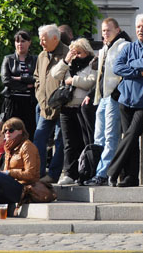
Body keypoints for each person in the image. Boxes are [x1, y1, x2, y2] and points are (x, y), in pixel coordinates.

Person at [108, 14, 143, 187]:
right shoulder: (129, 47)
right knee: (130, 139)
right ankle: (130, 177)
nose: (140, 30)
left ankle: (112, 171)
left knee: (131, 135)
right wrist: (138, 72)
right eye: (138, 27)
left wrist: (130, 64)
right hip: (125, 99)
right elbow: (117, 67)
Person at [83, 17, 129, 187]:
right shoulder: (104, 48)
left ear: (118, 30)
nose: (105, 33)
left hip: (113, 96)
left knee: (111, 136)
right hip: (102, 97)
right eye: (103, 30)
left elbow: (125, 71)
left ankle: (104, 173)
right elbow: (100, 75)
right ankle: (96, 171)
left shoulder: (123, 46)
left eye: (108, 30)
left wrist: (118, 92)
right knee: (98, 137)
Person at [51, 38, 97, 186]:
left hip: (82, 107)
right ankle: (70, 173)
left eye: (79, 53)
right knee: (68, 142)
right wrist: (66, 60)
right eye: (74, 53)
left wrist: (73, 80)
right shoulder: (68, 64)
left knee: (84, 141)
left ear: (87, 51)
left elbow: (91, 81)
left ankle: (85, 171)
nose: (76, 56)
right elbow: (55, 74)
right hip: (67, 106)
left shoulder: (92, 62)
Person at [33, 24, 69, 183]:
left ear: (55, 38)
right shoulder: (41, 56)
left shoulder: (67, 53)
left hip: (63, 107)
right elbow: (36, 79)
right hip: (44, 106)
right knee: (39, 137)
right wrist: (40, 97)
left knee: (60, 141)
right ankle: (39, 173)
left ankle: (53, 174)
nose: (41, 43)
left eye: (44, 39)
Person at [0, 30, 37, 139]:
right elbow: (6, 80)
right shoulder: (8, 59)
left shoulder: (35, 60)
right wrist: (26, 86)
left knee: (29, 131)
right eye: (17, 41)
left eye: (23, 41)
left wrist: (20, 78)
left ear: (29, 42)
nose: (20, 44)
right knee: (11, 132)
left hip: (30, 101)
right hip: (13, 100)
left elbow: (37, 78)